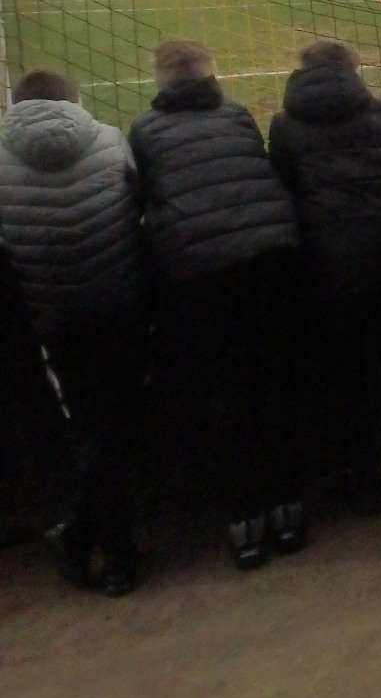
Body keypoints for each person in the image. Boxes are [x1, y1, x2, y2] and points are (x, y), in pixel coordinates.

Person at [129, 40, 305, 570]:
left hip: (201, 277)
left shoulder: (144, 131)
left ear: (161, 81)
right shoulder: (237, 115)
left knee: (226, 400)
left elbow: (145, 201)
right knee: (274, 386)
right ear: (210, 74)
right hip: (271, 264)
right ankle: (288, 509)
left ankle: (245, 522)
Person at [0, 71, 146, 595]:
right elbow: (139, 204)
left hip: (56, 320)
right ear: (73, 100)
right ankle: (112, 551)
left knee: (93, 425)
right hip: (121, 306)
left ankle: (92, 539)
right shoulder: (110, 140)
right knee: (114, 422)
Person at [269, 41, 381, 514]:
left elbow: (284, 189)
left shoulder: (285, 126)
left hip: (326, 265)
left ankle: (366, 482)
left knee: (347, 381)